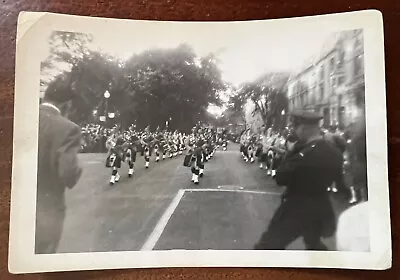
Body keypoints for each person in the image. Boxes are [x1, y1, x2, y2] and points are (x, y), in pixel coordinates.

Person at [254, 110, 346, 250]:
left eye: (296, 128)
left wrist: (290, 152)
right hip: (322, 207)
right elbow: (340, 183)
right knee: (314, 245)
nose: (295, 132)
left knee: (267, 247)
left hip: (296, 208)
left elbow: (281, 177)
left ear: (303, 128)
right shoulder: (334, 153)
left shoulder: (304, 154)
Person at [36, 71, 82, 254]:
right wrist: (77, 170)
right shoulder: (68, 129)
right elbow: (68, 174)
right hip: (46, 211)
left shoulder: (19, 117)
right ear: (67, 104)